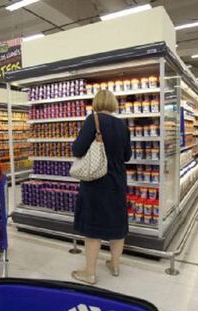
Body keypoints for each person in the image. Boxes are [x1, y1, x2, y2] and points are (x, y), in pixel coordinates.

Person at [71, 90, 132, 285]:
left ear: (96, 102)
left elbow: (78, 149)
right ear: (113, 103)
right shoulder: (122, 125)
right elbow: (127, 156)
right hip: (117, 182)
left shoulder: (93, 119)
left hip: (96, 182)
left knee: (93, 229)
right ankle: (115, 265)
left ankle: (89, 274)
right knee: (117, 225)